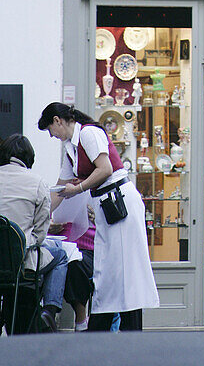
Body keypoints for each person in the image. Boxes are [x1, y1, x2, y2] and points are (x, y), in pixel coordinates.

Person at [38, 103, 159, 330]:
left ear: (57, 120)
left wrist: (80, 188)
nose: (52, 136)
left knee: (123, 270)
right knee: (110, 270)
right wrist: (42, 216)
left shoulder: (89, 133)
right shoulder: (70, 148)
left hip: (119, 203)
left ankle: (118, 327)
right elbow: (61, 188)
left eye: (50, 130)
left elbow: (105, 169)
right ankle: (107, 327)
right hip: (108, 205)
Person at [0, 134, 69, 333]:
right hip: (20, 263)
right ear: (29, 157)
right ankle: (49, 310)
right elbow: (40, 233)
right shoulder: (37, 182)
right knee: (61, 256)